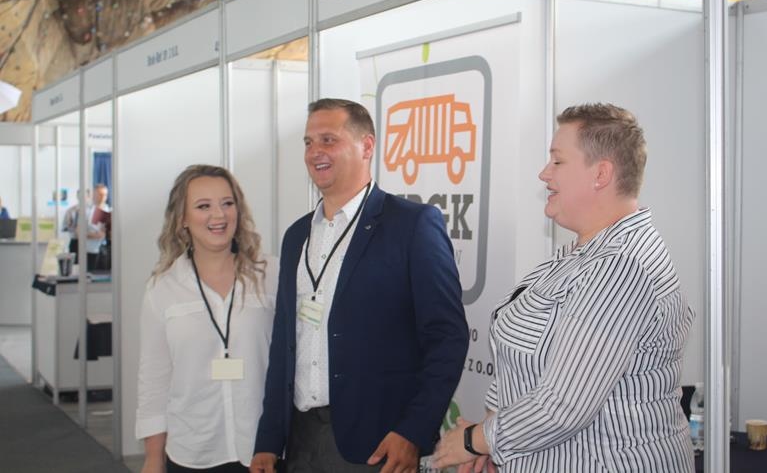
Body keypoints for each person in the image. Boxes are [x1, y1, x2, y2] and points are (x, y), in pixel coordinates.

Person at [432, 103, 695, 472]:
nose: (544, 173)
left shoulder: (621, 267)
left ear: (601, 173)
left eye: (557, 161)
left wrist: (474, 440)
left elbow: (563, 407)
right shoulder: (581, 254)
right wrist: (493, 444)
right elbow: (520, 361)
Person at [251, 98, 469, 473]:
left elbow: (447, 337)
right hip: (300, 441)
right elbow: (285, 343)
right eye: (308, 142)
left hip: (378, 444)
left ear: (367, 146)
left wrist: (414, 431)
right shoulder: (296, 236)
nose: (314, 152)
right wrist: (269, 440)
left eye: (328, 140)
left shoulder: (412, 225)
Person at [136, 165, 278, 473]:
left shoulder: (270, 274)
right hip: (193, 450)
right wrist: (153, 458)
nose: (219, 215)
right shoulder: (163, 289)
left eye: (227, 203)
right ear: (182, 219)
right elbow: (154, 379)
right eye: (203, 206)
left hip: (263, 449)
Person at [62, 185, 108, 269]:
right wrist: (89, 234)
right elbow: (68, 228)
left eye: (104, 195)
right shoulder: (73, 211)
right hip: (78, 243)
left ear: (89, 196)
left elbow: (103, 233)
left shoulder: (104, 210)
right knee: (78, 268)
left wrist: (88, 234)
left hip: (98, 247)